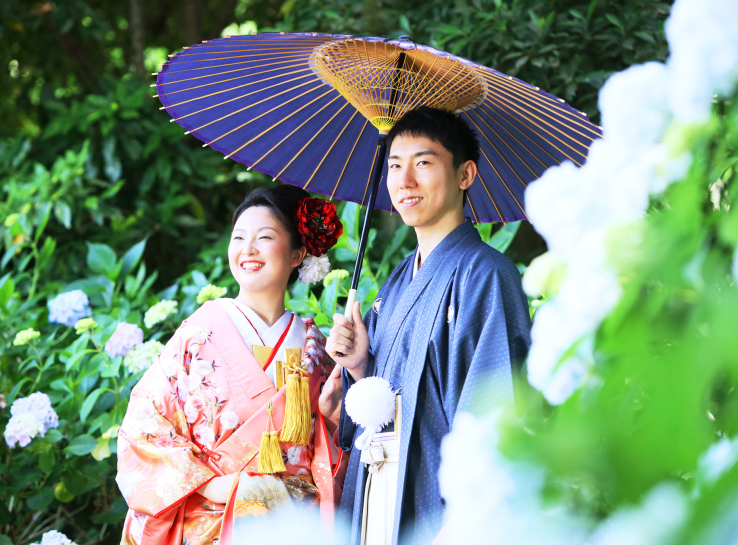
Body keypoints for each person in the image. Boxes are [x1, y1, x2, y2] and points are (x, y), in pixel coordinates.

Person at [322, 106, 532, 545]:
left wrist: (466, 521)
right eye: (395, 166)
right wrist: (360, 365)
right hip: (380, 490)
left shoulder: (487, 276)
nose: (405, 181)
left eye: (423, 163)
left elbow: (498, 409)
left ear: (464, 174)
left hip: (443, 510)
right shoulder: (398, 280)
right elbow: (382, 402)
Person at [116, 185, 346, 544]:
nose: (247, 249)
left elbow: (332, 449)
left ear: (298, 254)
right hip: (212, 517)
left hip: (293, 524)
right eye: (238, 237)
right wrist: (212, 485)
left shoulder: (318, 349)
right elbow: (144, 421)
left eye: (265, 237)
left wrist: (334, 414)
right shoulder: (199, 333)